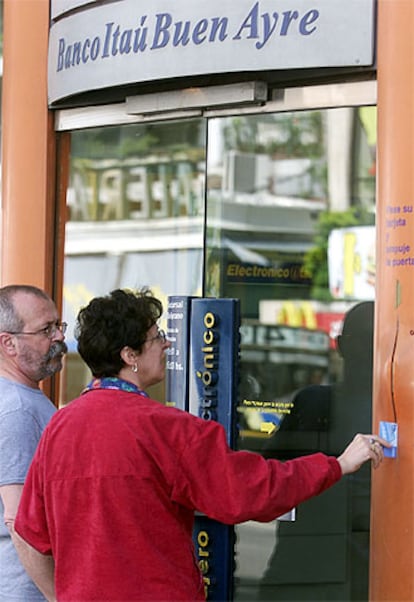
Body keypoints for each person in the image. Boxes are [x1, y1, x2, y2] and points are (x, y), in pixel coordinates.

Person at [14, 288, 388, 602]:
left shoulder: (59, 427)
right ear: (129, 357)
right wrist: (338, 464)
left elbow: (31, 534)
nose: (167, 342)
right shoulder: (165, 428)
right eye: (156, 337)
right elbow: (251, 491)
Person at [0, 284, 67, 602]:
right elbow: (19, 522)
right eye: (45, 330)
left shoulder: (23, 398)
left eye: (58, 326)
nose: (58, 338)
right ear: (8, 343)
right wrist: (58, 597)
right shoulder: (17, 409)